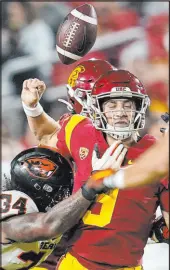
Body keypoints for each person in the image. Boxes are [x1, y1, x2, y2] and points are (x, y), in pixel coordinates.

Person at [22, 69, 169, 269]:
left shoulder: (156, 154)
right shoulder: (81, 131)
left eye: (127, 104)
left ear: (139, 108)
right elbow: (46, 135)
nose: (120, 112)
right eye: (112, 104)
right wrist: (32, 108)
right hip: (76, 262)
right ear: (98, 107)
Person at [1, 145, 118, 270]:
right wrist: (89, 189)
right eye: (59, 192)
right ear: (41, 186)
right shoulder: (16, 205)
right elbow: (48, 226)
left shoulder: (42, 213)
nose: (63, 197)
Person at [21, 59, 116, 148]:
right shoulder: (72, 128)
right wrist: (32, 108)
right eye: (104, 96)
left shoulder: (127, 116)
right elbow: (46, 140)